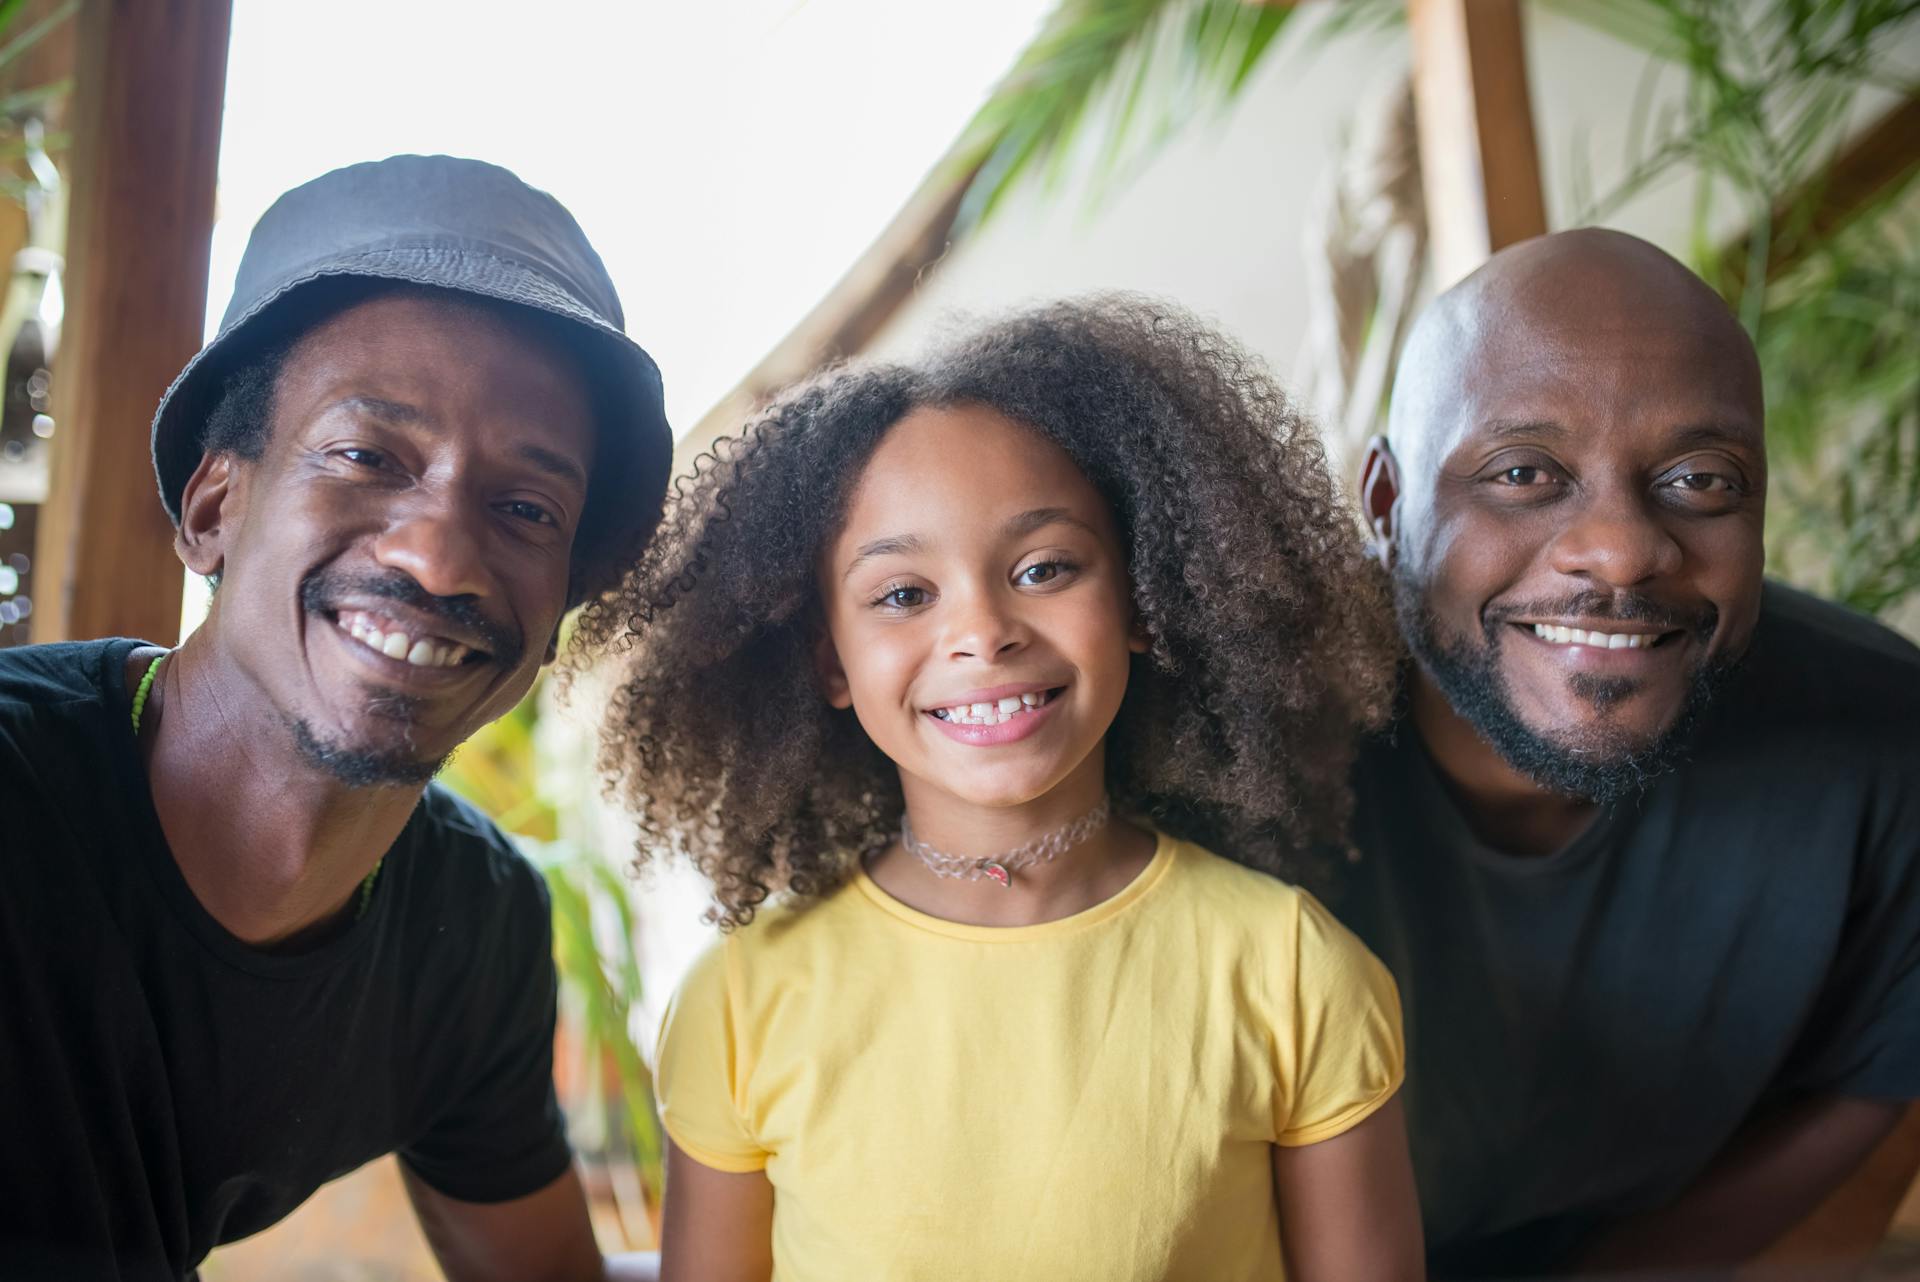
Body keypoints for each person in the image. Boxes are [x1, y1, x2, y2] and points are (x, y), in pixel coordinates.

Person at [580, 295, 1425, 1281]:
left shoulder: (1291, 972)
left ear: (1144, 599)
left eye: (1044, 566)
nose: (983, 630)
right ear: (830, 663)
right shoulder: (740, 1005)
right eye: (903, 594)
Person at [0, 155, 672, 1280]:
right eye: (368, 455)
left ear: (556, 615)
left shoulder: (472, 926)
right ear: (214, 508)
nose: (441, 554)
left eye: (523, 507)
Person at [1346, 227, 1920, 1278]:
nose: (1620, 547)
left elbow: (1876, 1090)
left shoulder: (1888, 750)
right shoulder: (1227, 751)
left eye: (1702, 481)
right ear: (1386, 505)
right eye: (1524, 471)